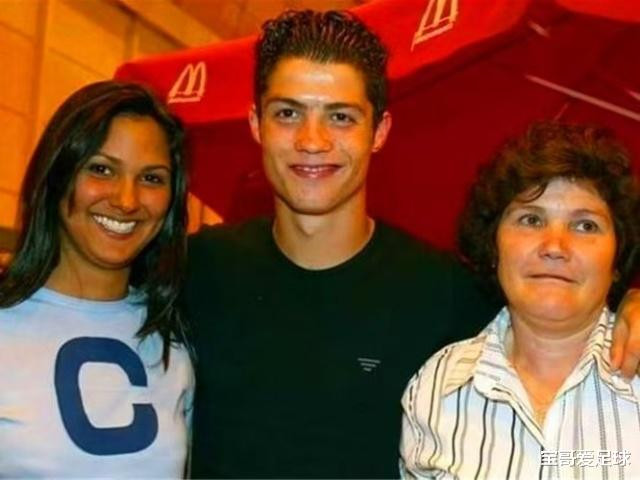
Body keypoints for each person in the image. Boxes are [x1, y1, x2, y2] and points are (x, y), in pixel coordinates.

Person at [186, 10, 640, 478]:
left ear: (379, 131)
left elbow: (556, 307)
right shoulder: (194, 270)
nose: (312, 140)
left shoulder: (450, 295)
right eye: (288, 113)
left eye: (340, 117)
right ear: (256, 123)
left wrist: (631, 302)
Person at [400, 122, 640, 479]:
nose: (555, 247)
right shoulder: (436, 388)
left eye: (585, 225)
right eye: (531, 219)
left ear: (617, 260)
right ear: (493, 246)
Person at [0, 81, 194, 477]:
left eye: (152, 178)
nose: (126, 200)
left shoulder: (173, 339)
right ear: (58, 175)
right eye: (101, 169)